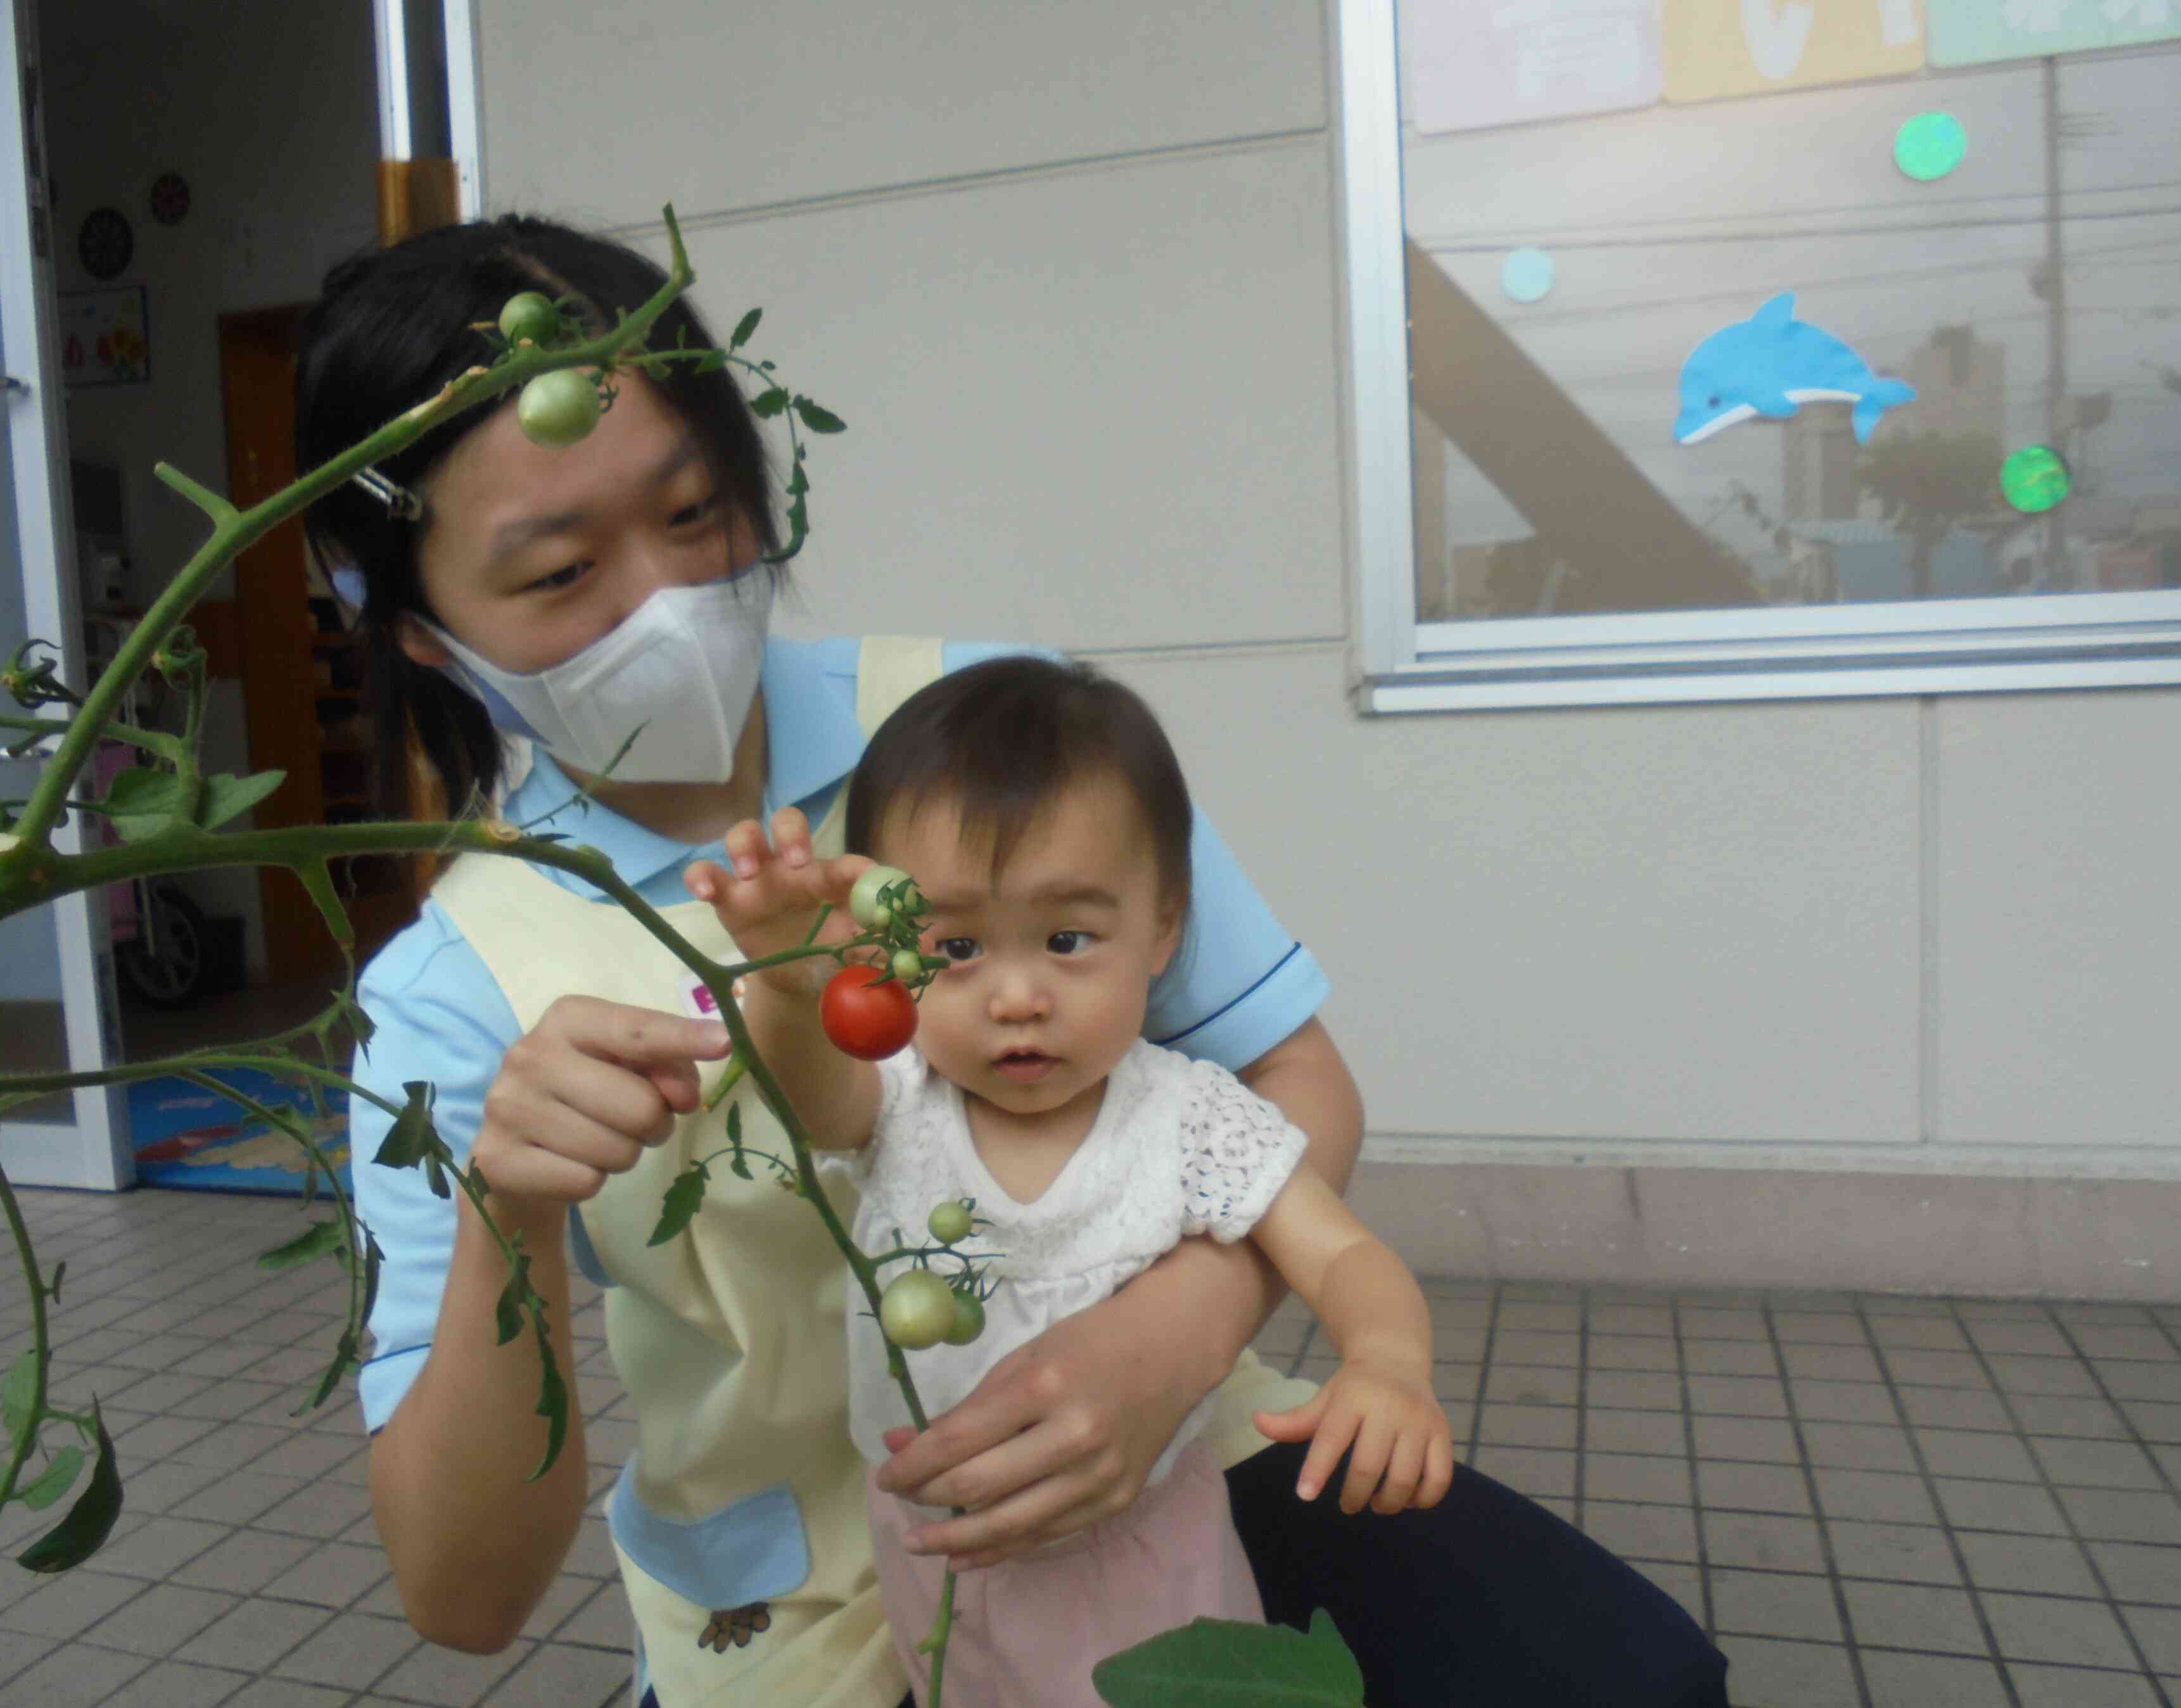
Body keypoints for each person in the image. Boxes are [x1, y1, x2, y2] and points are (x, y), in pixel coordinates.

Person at [295, 213, 1731, 1708]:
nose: (661, 600)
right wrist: (503, 1225)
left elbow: (1291, 1077)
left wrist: (1174, 1332)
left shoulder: (988, 730)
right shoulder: (456, 987)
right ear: (417, 635)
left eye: (698, 509)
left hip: (1174, 1479)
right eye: (558, 571)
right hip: (808, 1618)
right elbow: (462, 1595)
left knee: (1630, 1680)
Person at [685, 655, 1457, 1704]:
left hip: (1140, 1549)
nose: (1016, 996)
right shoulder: (901, 1101)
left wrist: (1389, 1360)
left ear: (1164, 927)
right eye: (956, 945)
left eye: (1066, 939)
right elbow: (807, 1094)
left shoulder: (1189, 1118)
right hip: (930, 1551)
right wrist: (782, 976)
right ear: (888, 947)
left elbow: (1345, 1253)